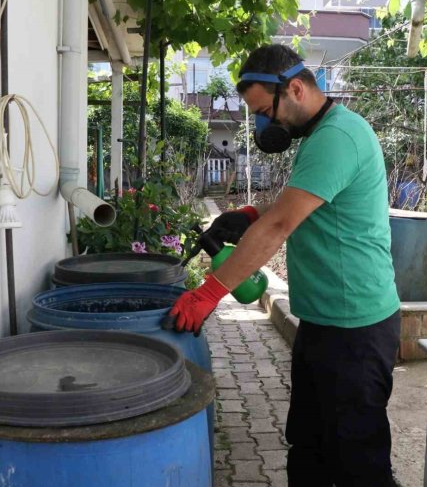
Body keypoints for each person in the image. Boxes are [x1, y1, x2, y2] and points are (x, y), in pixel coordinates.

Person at [165, 44, 401, 487]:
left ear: (294, 88)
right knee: (308, 447)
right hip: (322, 320)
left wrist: (208, 293)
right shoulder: (320, 135)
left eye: (264, 111)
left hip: (354, 329)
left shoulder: (338, 137)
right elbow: (303, 204)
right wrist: (250, 215)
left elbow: (280, 226)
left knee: (358, 462)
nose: (262, 124)